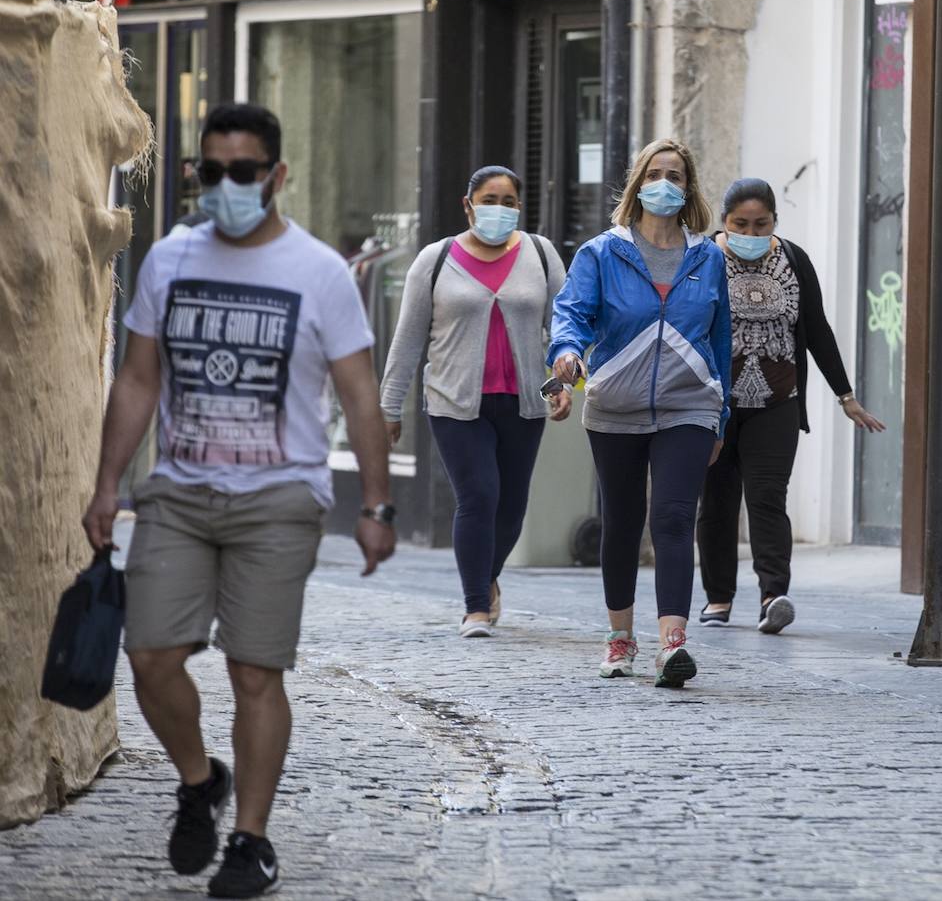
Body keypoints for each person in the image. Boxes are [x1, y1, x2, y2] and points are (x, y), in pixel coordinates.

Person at [81, 103, 395, 898]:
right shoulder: (172, 258)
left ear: (276, 175)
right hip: (179, 493)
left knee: (257, 673)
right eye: (210, 172)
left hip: (280, 496)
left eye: (242, 172)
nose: (225, 186)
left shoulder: (319, 271)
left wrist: (377, 506)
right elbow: (140, 377)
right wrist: (106, 485)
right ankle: (199, 780)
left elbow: (360, 398)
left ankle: (250, 840)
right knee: (149, 657)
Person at [548, 138, 730, 688]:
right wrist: (565, 352)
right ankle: (620, 637)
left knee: (674, 519)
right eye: (656, 173)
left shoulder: (709, 257)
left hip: (689, 404)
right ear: (638, 184)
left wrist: (720, 415)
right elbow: (572, 314)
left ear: (688, 186)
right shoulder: (602, 253)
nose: (665, 184)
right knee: (622, 524)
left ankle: (672, 645)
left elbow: (720, 341)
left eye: (676, 175)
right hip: (617, 404)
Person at [380, 165, 570, 638]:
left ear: (520, 207)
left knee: (511, 507)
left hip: (523, 401)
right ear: (468, 205)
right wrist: (389, 406)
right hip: (454, 402)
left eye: (509, 201)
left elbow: (563, 331)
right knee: (479, 495)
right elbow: (407, 340)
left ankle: (486, 578)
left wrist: (561, 386)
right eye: (490, 199)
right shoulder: (435, 259)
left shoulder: (541, 255)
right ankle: (474, 607)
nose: (499, 210)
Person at [696, 178, 884, 634]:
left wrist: (846, 396)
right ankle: (718, 598)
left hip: (778, 401)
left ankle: (772, 595)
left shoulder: (794, 260)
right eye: (741, 223)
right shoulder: (700, 257)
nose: (751, 231)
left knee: (767, 497)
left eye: (761, 224)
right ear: (724, 221)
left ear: (775, 221)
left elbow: (816, 329)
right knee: (717, 501)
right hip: (713, 404)